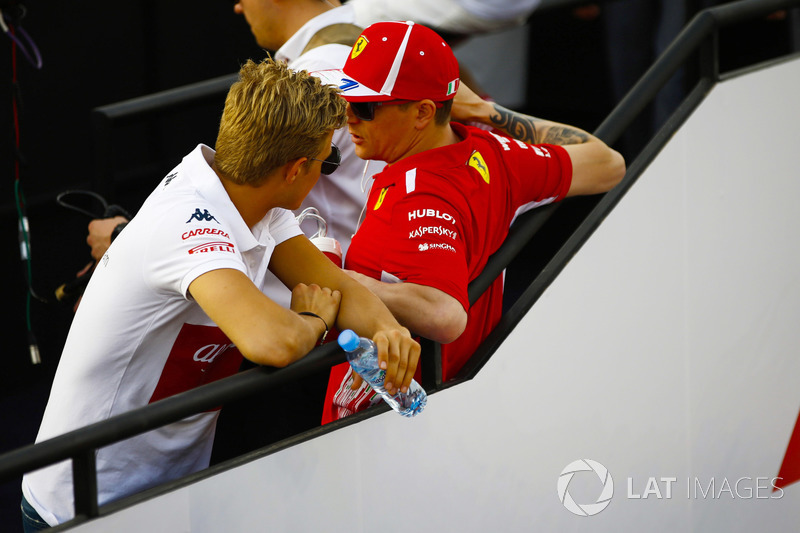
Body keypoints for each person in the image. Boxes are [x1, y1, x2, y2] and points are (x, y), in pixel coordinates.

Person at [20, 58, 420, 530]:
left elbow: (342, 290)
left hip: (167, 491)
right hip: (85, 504)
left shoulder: (254, 198)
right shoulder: (188, 223)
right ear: (295, 170)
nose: (326, 173)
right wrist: (314, 319)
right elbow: (272, 341)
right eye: (326, 163)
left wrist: (389, 331)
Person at [314, 20, 625, 421]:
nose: (348, 119)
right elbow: (606, 161)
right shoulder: (496, 151)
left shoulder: (417, 194)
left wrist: (343, 282)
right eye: (345, 101)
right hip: (458, 400)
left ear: (424, 112)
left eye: (365, 107)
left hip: (390, 418)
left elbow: (444, 314)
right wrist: (482, 110)